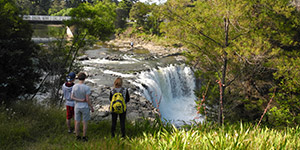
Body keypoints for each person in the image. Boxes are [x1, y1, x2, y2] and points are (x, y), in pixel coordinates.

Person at [71, 72, 94, 142]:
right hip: (84, 106)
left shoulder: (74, 86)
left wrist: (79, 100)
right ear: (85, 78)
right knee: (85, 122)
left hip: (77, 106)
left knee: (77, 121)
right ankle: (84, 136)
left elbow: (72, 97)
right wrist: (91, 107)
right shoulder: (86, 88)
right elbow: (87, 99)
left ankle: (77, 136)